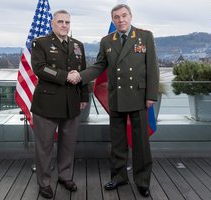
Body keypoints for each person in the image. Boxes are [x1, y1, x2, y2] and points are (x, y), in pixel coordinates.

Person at [67, 4, 159, 197]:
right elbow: (99, 66)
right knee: (117, 142)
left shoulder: (144, 36)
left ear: (130, 16)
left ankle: (142, 181)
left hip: (139, 97)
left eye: (124, 16)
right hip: (116, 97)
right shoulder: (107, 41)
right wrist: (80, 76)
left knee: (141, 143)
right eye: (116, 17)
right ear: (113, 20)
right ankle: (118, 177)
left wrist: (151, 95)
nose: (121, 20)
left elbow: (152, 68)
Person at [31, 10, 89, 199]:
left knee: (68, 145)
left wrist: (84, 97)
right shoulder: (41, 43)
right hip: (47, 104)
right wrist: (66, 76)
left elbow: (83, 73)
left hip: (72, 102)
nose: (64, 25)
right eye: (60, 22)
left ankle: (64, 176)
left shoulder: (78, 45)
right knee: (44, 147)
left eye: (67, 22)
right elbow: (40, 68)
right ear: (52, 23)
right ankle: (44, 183)